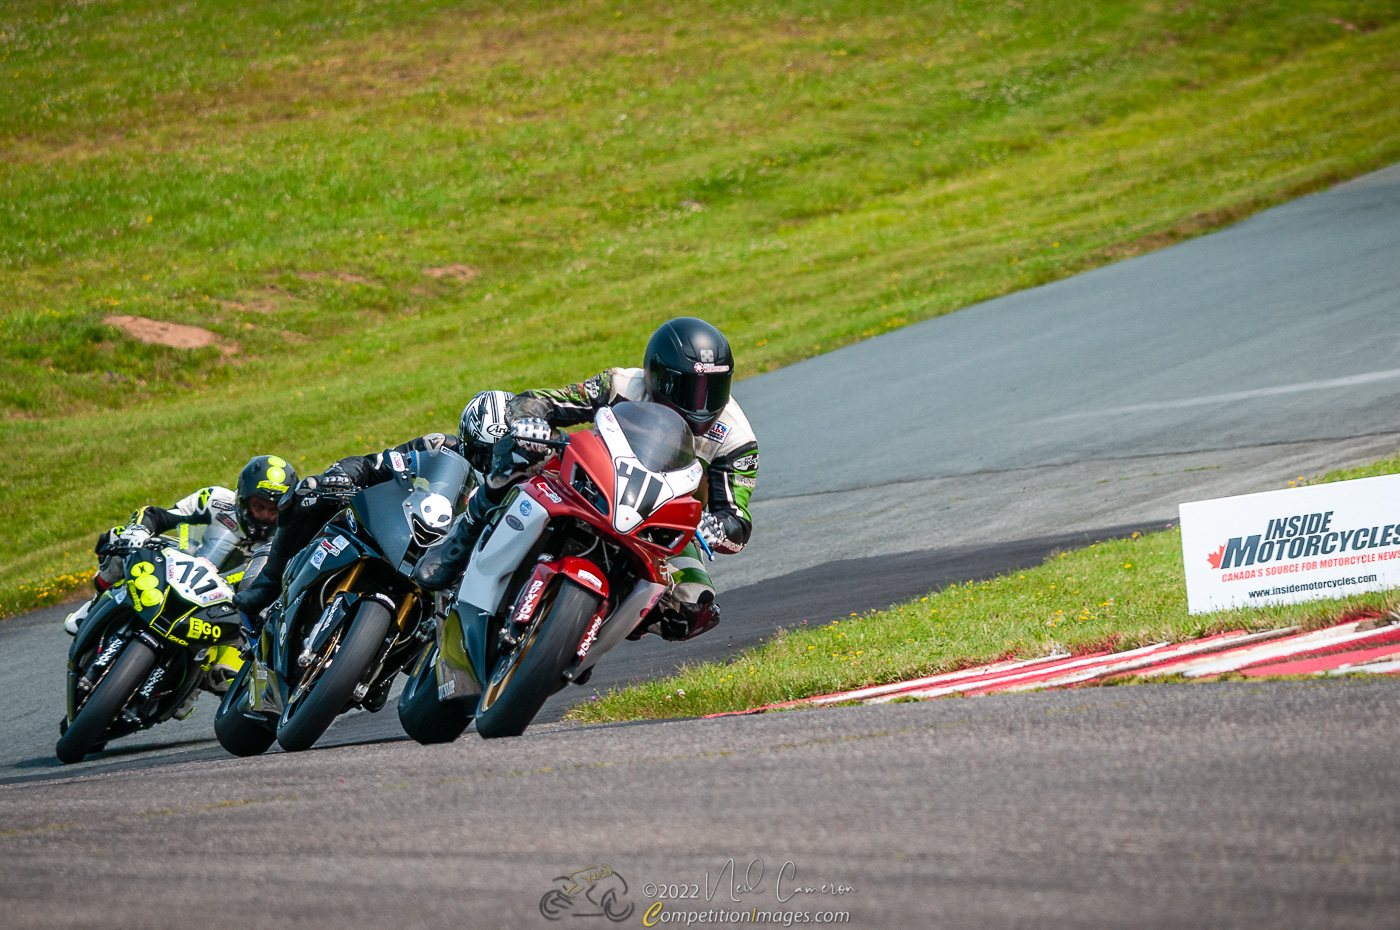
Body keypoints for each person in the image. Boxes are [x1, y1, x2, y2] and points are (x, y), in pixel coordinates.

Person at [415, 317, 758, 641]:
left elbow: (737, 518)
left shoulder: (737, 438)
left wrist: (719, 529)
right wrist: (530, 421)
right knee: (520, 449)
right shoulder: (623, 384)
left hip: (660, 523)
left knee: (693, 606)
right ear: (657, 375)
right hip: (596, 481)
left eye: (711, 388)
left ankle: (589, 628)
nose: (700, 403)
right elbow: (541, 400)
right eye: (687, 388)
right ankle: (463, 537)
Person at [231, 432, 465, 626]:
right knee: (309, 491)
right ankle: (270, 581)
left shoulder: (499, 483)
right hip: (403, 528)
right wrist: (342, 474)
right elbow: (378, 463)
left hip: (450, 560)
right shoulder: (440, 446)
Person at [64, 455, 297, 635]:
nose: (265, 515)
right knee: (118, 537)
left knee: (228, 671)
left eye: (273, 509)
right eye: (259, 506)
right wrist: (139, 531)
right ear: (244, 499)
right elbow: (160, 515)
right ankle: (97, 602)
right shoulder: (216, 499)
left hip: (229, 599)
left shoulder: (289, 534)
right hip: (189, 566)